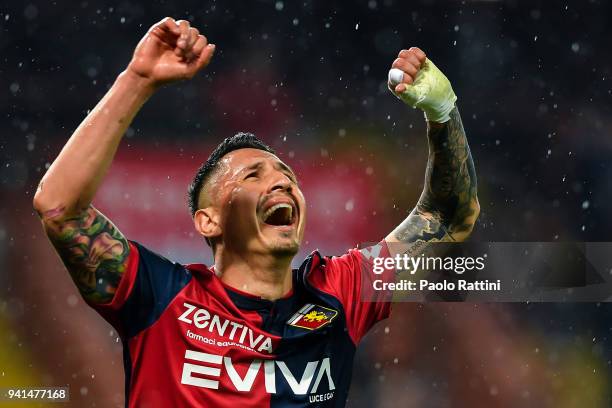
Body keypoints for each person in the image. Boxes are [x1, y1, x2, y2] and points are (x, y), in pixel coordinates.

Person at [33, 17, 479, 407]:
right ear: (209, 221)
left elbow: (446, 217)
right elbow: (60, 210)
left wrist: (443, 112)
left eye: (286, 173)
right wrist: (137, 79)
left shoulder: (338, 293)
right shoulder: (161, 296)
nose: (282, 180)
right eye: (253, 176)